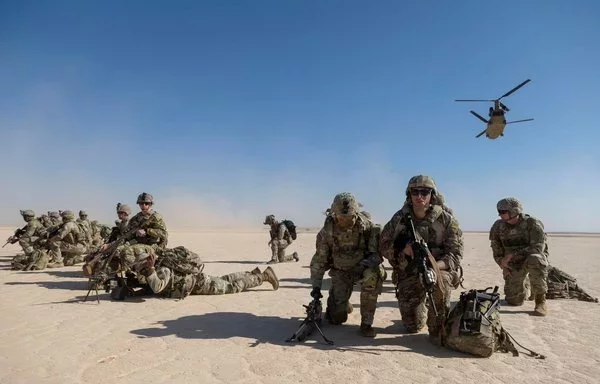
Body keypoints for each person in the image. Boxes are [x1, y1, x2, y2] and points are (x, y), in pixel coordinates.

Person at [380, 175, 464, 345]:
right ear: (409, 195)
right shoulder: (399, 218)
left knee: (440, 286)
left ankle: (436, 326)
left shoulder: (446, 220)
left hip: (439, 270)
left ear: (432, 195)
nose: (419, 196)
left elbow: (455, 254)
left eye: (424, 192)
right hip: (409, 271)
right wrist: (402, 249)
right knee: (412, 326)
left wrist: (434, 268)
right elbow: (383, 244)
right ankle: (421, 310)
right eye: (415, 192)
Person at [309, 192, 384, 337]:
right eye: (340, 217)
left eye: (348, 217)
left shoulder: (368, 228)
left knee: (373, 276)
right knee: (336, 319)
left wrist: (364, 265)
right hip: (340, 272)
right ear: (334, 214)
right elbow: (319, 260)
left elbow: (376, 256)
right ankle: (342, 304)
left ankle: (366, 323)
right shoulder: (327, 231)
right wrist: (316, 289)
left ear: (356, 214)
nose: (344, 220)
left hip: (363, 268)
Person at [126, 244, 280, 298]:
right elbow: (150, 288)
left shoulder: (161, 270)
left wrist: (151, 270)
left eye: (139, 265)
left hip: (197, 284)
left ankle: (263, 276)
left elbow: (157, 287)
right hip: (196, 281)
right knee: (225, 279)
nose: (137, 268)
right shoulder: (156, 269)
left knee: (231, 287)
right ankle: (252, 274)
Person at [489, 197, 549, 316]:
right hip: (513, 263)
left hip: (531, 259)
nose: (500, 215)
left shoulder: (532, 223)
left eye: (503, 212)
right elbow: (497, 251)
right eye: (499, 212)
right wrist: (503, 265)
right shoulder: (498, 227)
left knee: (535, 259)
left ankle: (540, 300)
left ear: (514, 211)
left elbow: (538, 247)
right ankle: (524, 285)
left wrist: (513, 254)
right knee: (514, 301)